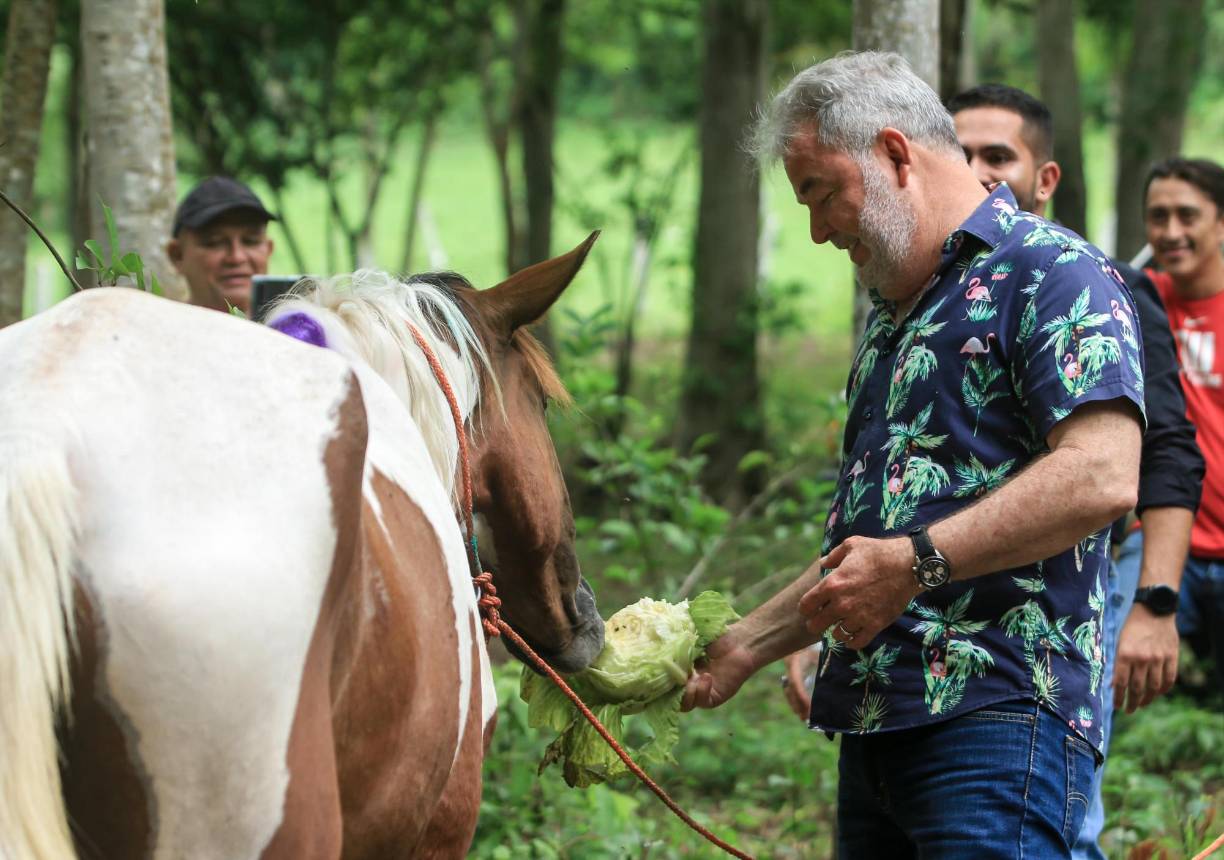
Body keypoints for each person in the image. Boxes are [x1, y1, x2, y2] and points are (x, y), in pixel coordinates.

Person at [682, 52, 1146, 857]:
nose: (819, 229)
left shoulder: (1052, 271)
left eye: (821, 192)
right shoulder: (894, 318)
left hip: (1001, 719)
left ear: (896, 154)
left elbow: (1103, 474)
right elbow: (878, 546)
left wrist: (918, 563)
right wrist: (749, 646)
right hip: (876, 725)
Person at [945, 84, 1200, 860]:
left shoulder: (1104, 284)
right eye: (962, 154)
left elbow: (1166, 451)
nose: (980, 171)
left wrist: (1154, 599)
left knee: (1062, 809)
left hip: (1073, 593)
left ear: (1045, 178)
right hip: (940, 607)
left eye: (1000, 155)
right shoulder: (923, 294)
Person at [1142, 157, 1224, 695]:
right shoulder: (1130, 299)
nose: (1171, 232)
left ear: (1220, 222)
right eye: (1158, 216)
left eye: (1187, 216)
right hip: (1165, 550)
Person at [166, 176, 276, 313]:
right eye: (214, 243)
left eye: (250, 241)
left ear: (269, 250)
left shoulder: (295, 330)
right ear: (177, 255)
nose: (236, 257)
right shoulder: (154, 331)